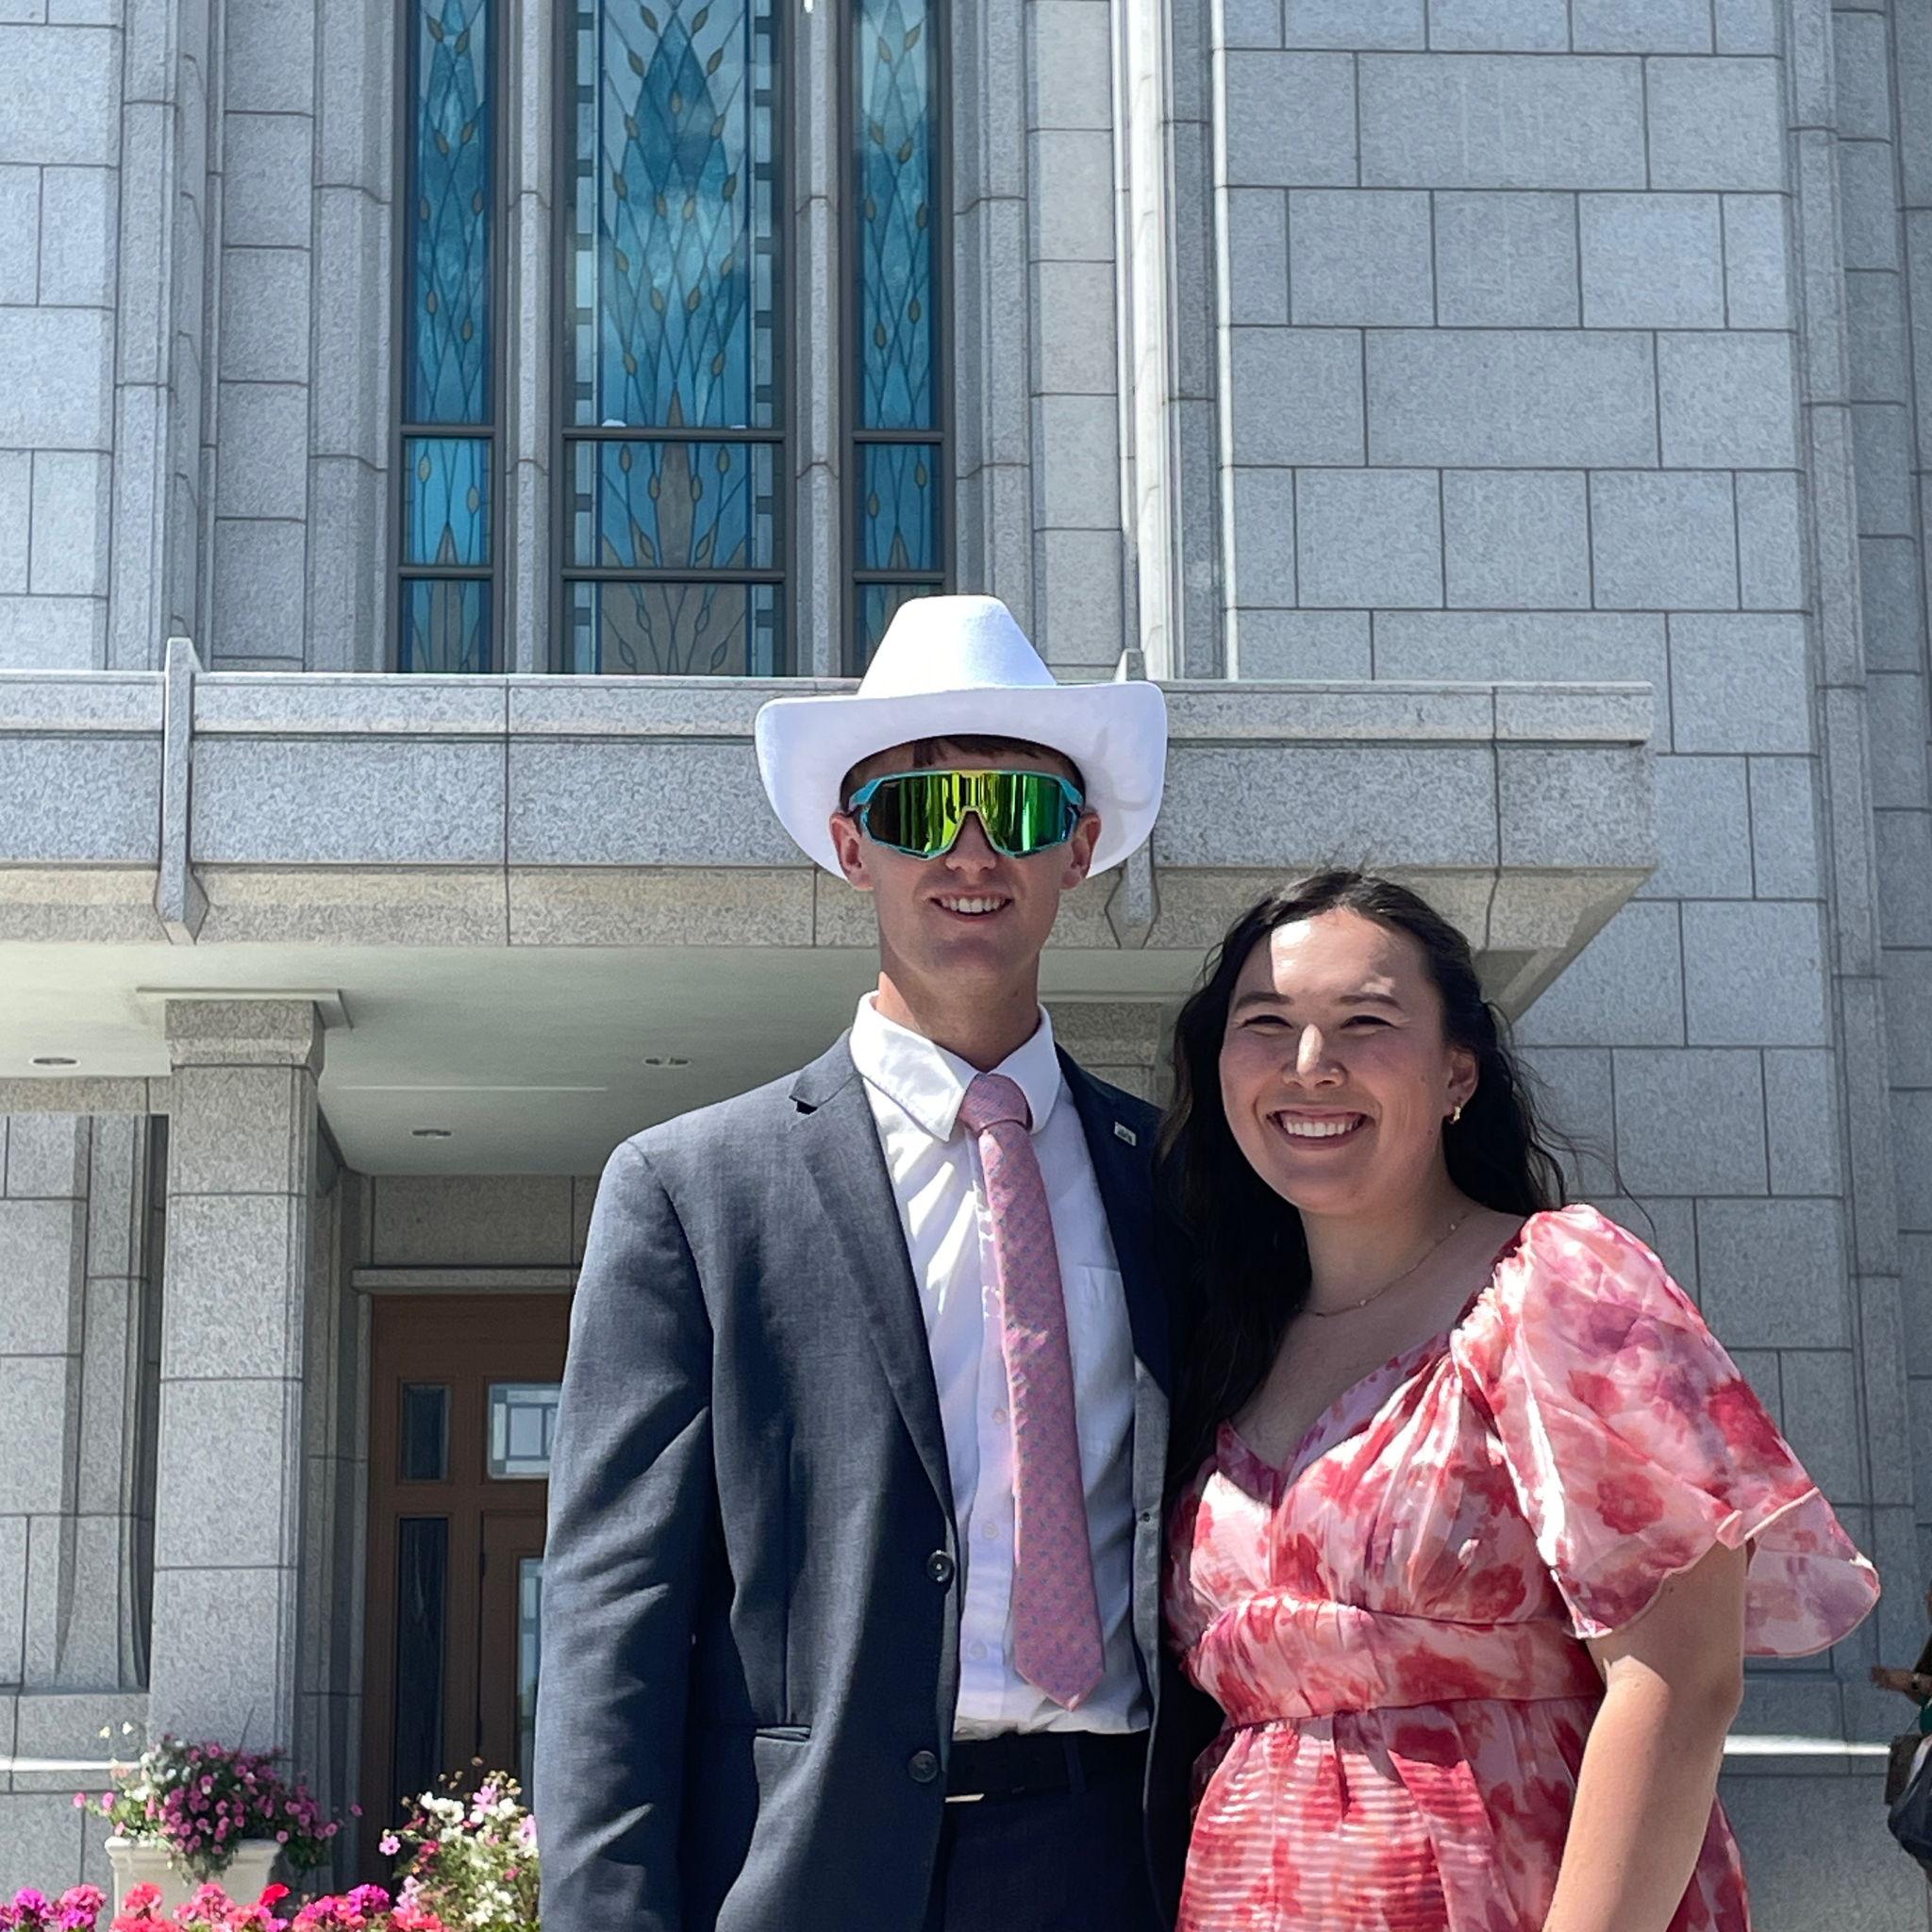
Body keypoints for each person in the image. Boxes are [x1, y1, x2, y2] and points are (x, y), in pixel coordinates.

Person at [535, 595, 1208, 1932]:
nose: (970, 851)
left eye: (1017, 808)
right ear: (852, 848)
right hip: (812, 1874)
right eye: (916, 811)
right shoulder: (692, 1191)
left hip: (1117, 1866)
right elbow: (612, 1619)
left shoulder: (1176, 1183)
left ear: (1079, 846)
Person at [1158, 870, 1880, 1932]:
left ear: (1457, 1070)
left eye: (1365, 1022)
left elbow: (1679, 1681)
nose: (1309, 1063)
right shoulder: (1226, 1335)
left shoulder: (1554, 1282)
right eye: (1264, 1022)